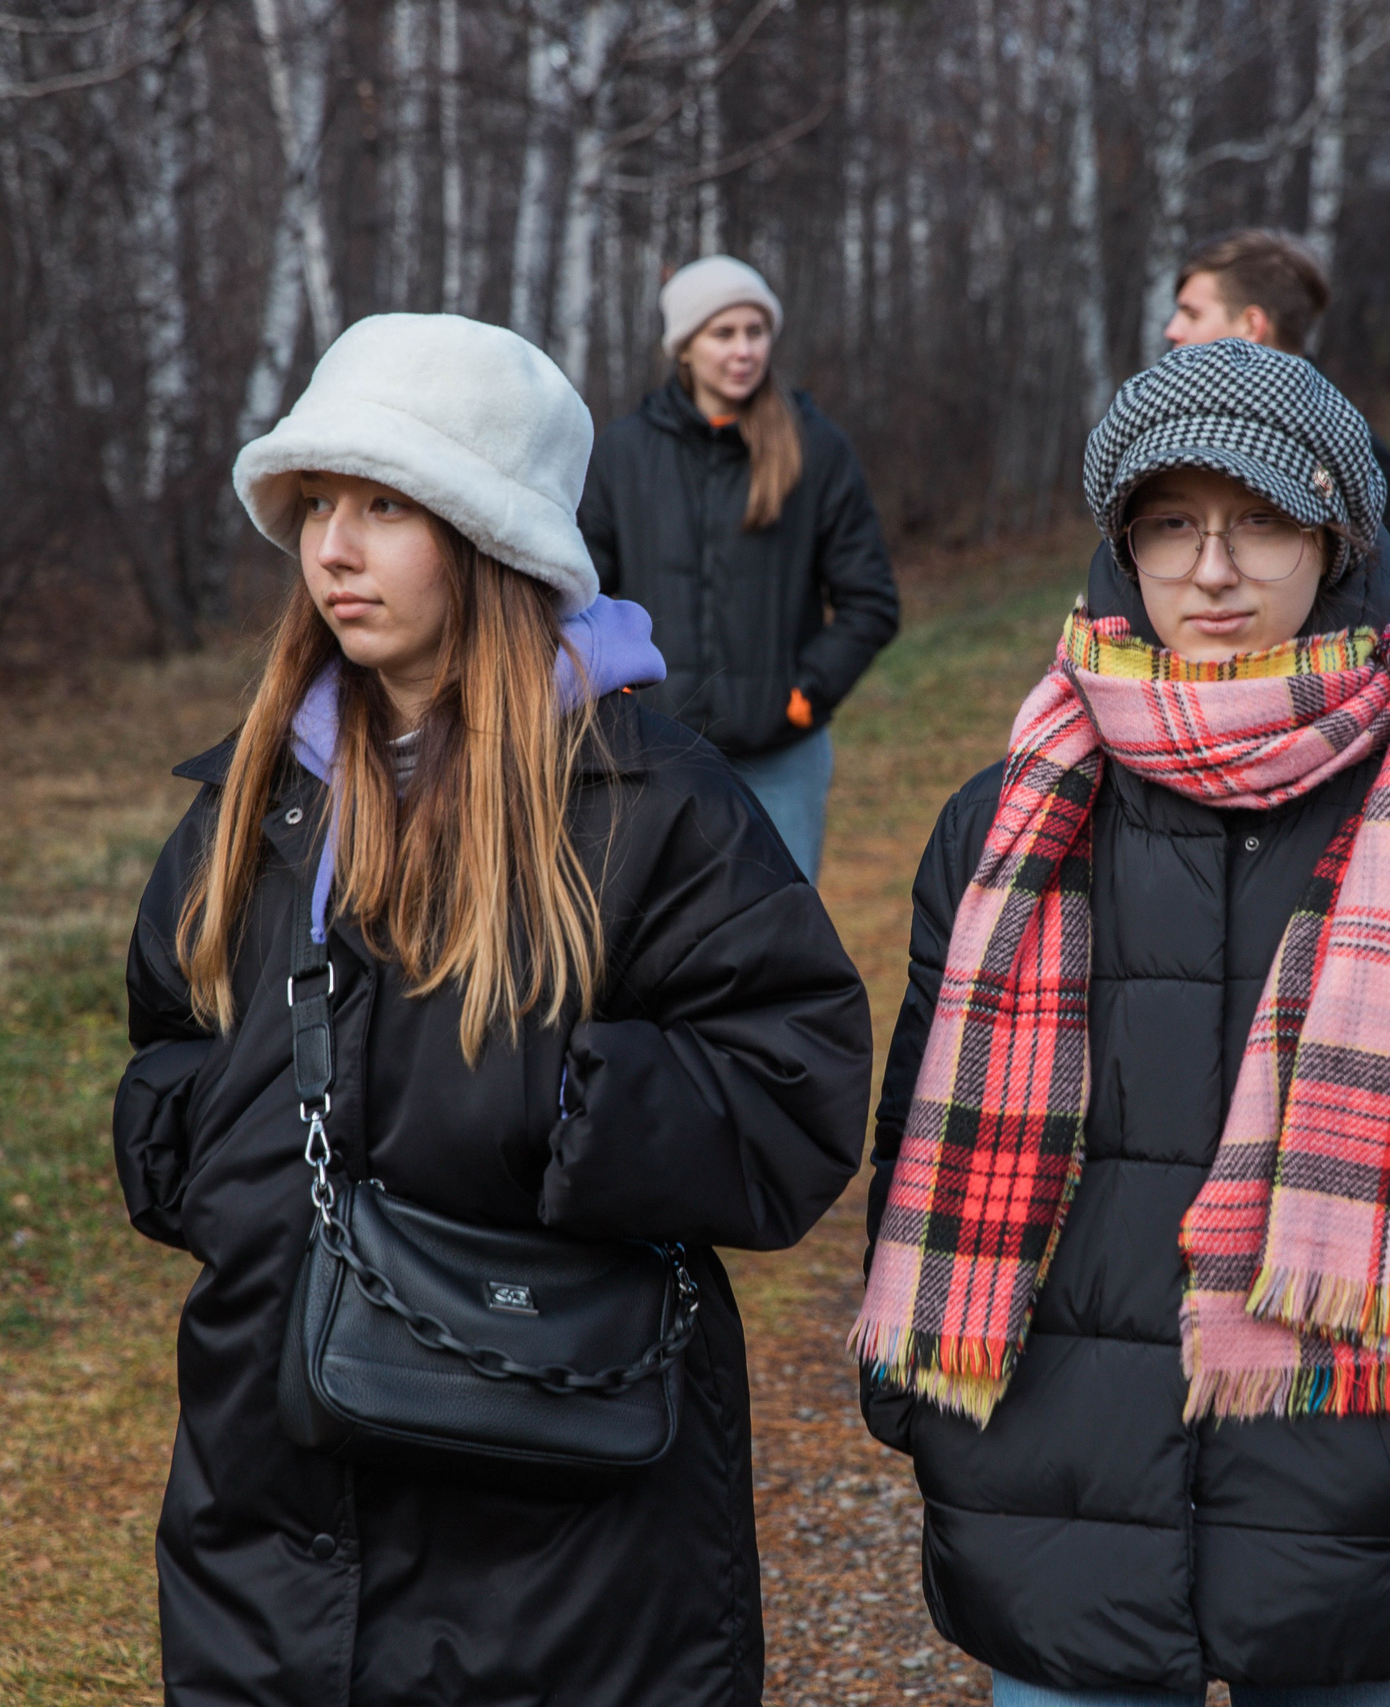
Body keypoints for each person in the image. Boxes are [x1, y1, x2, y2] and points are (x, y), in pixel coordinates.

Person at [854, 339, 1390, 1706]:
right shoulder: (1005, 823)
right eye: (1171, 523)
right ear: (1125, 546)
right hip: (1063, 1522)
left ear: (1336, 541)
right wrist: (942, 1432)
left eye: (1260, 519)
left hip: (1366, 1528)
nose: (1212, 568)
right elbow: (914, 1137)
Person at [111, 313, 873, 1707]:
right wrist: (206, 1156)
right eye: (318, 506)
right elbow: (172, 1019)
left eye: (386, 505)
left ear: (493, 536)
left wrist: (559, 1106)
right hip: (268, 1481)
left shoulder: (647, 798)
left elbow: (794, 1083)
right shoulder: (263, 793)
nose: (332, 547)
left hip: (554, 1508)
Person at [579, 254, 901, 882]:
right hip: (652, 752)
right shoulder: (623, 452)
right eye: (723, 334)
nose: (743, 350)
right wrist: (617, 697)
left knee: (782, 942)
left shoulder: (816, 447)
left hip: (782, 758)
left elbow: (871, 600)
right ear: (684, 348)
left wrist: (804, 699)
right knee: (657, 946)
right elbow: (585, 595)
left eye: (756, 332)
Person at [1162, 228, 1390, 628]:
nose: (1172, 330)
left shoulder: (1355, 461)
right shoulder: (1176, 445)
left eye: (1192, 313)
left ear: (1251, 325)